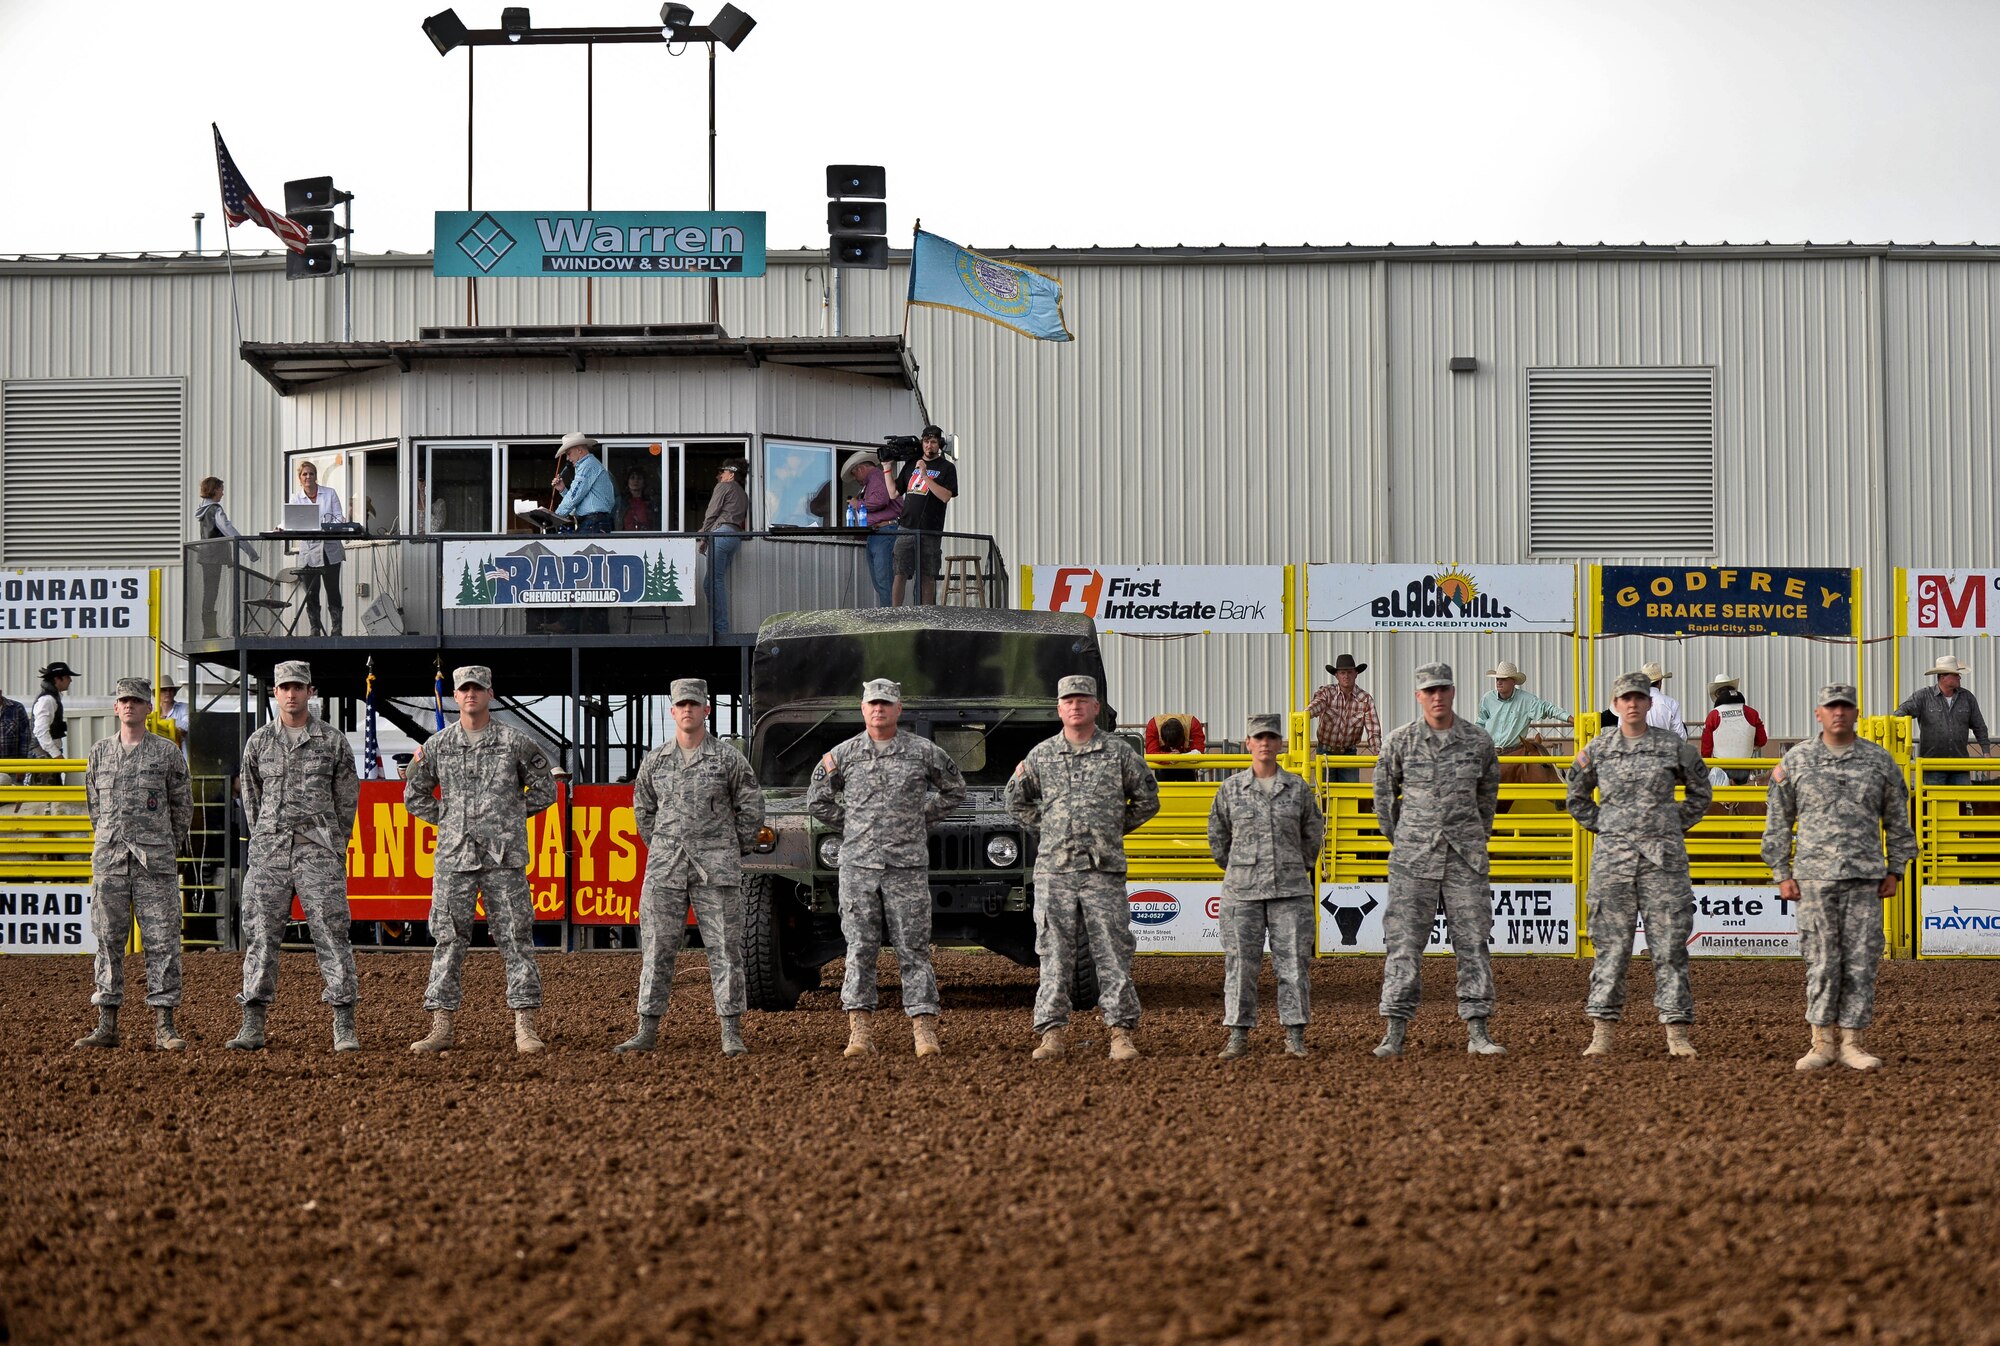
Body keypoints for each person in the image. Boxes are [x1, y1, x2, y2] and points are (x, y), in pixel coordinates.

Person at [1761, 683, 1918, 1073]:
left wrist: (1896, 868)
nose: (1839, 713)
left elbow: (1899, 821)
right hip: (1814, 879)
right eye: (1831, 707)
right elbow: (1778, 822)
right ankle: (1821, 1042)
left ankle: (1852, 1042)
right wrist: (1782, 871)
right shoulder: (1796, 761)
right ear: (1819, 713)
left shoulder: (1879, 761)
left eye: (1845, 707)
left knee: (1861, 961)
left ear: (1855, 712)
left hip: (1865, 877)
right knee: (1821, 960)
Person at [806, 679, 967, 1057]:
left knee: (913, 948)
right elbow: (817, 799)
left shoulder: (922, 752)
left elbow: (955, 789)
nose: (879, 710)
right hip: (858, 866)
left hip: (906, 866)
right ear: (862, 709)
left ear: (899, 710)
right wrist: (854, 824)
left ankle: (924, 1030)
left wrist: (918, 817)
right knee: (860, 947)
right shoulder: (843, 755)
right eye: (872, 704)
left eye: (886, 704)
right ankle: (860, 1033)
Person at [404, 666, 560, 1055]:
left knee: (516, 938)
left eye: (478, 688)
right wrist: (451, 820)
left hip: (503, 858)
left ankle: (525, 1027)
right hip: (455, 858)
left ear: (491, 693)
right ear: (455, 697)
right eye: (464, 690)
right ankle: (441, 1027)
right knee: (448, 940)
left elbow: (546, 789)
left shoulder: (515, 742)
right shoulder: (437, 746)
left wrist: (509, 815)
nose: (470, 695)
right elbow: (415, 794)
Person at [1005, 674, 1161, 1061]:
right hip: (1054, 873)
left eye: (1083, 700)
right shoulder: (1041, 755)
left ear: (1096, 707)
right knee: (1053, 953)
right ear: (1059, 709)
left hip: (1102, 871)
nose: (1075, 706)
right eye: (1068, 700)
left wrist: (1111, 829)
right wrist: (1051, 827)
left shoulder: (1119, 753)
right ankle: (1052, 1035)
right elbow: (1015, 800)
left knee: (1112, 952)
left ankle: (1121, 1034)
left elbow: (1148, 799)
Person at [617, 678, 766, 1058]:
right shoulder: (656, 760)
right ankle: (646, 1029)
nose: (687, 710)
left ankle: (731, 1032)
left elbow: (751, 807)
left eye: (694, 705)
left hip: (715, 870)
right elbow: (643, 811)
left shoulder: (728, 759)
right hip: (665, 870)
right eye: (681, 705)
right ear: (672, 710)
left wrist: (732, 847)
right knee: (657, 949)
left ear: (706, 710)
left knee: (725, 951)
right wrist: (664, 846)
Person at [1567, 670, 1711, 1057]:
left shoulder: (1673, 747)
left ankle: (1677, 1035)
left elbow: (1701, 791)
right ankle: (1602, 1033)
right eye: (1625, 699)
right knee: (1610, 950)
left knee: (1669, 949)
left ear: (1650, 703)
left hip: (1663, 864)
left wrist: (1670, 824)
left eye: (1638, 698)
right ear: (1615, 706)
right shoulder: (1596, 749)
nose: (1632, 704)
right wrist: (1607, 827)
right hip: (1612, 865)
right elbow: (1576, 797)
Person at [224, 661, 362, 1054]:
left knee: (332, 935)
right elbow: (251, 799)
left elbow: (347, 800)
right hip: (269, 855)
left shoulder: (332, 742)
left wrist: (333, 846)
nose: (291, 693)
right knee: (261, 936)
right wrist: (268, 837)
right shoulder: (259, 743)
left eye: (298, 687)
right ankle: (252, 1023)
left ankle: (344, 1023)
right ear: (275, 693)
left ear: (310, 691)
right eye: (284, 687)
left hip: (318, 854)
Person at [1370, 663, 1506, 1058]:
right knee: (1403, 945)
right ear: (1419, 696)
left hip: (1464, 858)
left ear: (1453, 691)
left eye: (1442, 688)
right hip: (1413, 859)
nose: (1436, 696)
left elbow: (1488, 797)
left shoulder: (1478, 741)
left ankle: (1478, 1031)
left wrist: (1473, 836)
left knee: (1473, 943)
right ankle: (1394, 1031)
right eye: (1429, 690)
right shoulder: (1400, 741)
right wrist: (1403, 838)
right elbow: (1383, 797)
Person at [72, 678, 193, 1051]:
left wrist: (163, 846)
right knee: (108, 941)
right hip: (110, 862)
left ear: (149, 708)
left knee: (163, 942)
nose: (129, 706)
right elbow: (96, 808)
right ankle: (106, 1024)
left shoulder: (167, 753)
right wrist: (111, 840)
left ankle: (165, 1026)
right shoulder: (100, 753)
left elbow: (182, 807)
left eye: (137, 701)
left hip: (153, 863)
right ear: (115, 707)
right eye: (123, 700)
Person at [1207, 713, 1324, 1059]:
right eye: (1258, 738)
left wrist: (1296, 866)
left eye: (1271, 738)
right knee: (1241, 966)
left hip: (1290, 891)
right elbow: (1218, 837)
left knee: (1293, 965)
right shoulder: (1230, 790)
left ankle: (1295, 1036)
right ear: (1248, 743)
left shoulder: (1298, 788)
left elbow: (1313, 834)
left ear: (1279, 744)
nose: (1265, 744)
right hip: (1242, 893)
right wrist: (1239, 868)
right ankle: (1238, 1036)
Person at [890, 426, 957, 606]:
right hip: (906, 526)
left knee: (928, 574)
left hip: (931, 529)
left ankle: (927, 614)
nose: (929, 446)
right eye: (926, 442)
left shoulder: (947, 467)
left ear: (940, 444)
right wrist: (886, 469)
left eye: (933, 442)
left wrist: (925, 476)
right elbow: (893, 493)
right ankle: (896, 613)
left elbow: (945, 496)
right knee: (900, 572)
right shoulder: (911, 463)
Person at [193, 476, 258, 640]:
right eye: (221, 489)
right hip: (214, 556)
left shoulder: (203, 509)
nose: (223, 493)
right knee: (212, 592)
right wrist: (249, 550)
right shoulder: (215, 509)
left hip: (205, 555)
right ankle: (209, 632)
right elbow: (228, 529)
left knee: (210, 592)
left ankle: (209, 630)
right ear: (214, 490)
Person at [290, 459, 347, 637]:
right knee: (311, 591)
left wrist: (325, 526)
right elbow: (292, 520)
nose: (308, 477)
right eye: (304, 474)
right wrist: (281, 526)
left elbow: (339, 517)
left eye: (311, 473)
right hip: (309, 550)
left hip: (329, 547)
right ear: (300, 478)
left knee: (332, 589)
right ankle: (315, 628)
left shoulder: (329, 493)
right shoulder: (296, 497)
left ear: (316, 476)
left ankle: (336, 628)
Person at [1896, 655, 1990, 760]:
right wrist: (1904, 746)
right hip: (1932, 765)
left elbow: (1979, 726)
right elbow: (1899, 714)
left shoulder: (1967, 697)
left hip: (1959, 764)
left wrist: (1986, 752)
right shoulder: (1923, 696)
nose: (1959, 677)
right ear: (1943, 677)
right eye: (1955, 674)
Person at [1307, 654, 1382, 783]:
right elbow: (1316, 705)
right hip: (1325, 752)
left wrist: (1378, 755)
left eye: (1349, 672)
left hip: (1349, 753)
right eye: (1342, 673)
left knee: (1350, 796)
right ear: (1337, 675)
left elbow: (1373, 730)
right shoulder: (1326, 693)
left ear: (1356, 674)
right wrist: (1306, 714)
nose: (1346, 676)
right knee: (1324, 796)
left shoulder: (1365, 699)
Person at [841, 451, 903, 607]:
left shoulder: (876, 477)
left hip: (884, 531)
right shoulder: (874, 480)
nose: (856, 479)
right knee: (881, 580)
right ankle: (888, 614)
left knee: (883, 579)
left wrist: (859, 504)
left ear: (861, 468)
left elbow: (880, 499)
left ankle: (889, 618)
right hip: (879, 533)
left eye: (855, 474)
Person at [697, 460, 750, 636]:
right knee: (712, 582)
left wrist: (704, 534)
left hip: (721, 534)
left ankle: (720, 629)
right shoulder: (743, 494)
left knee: (713, 582)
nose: (719, 475)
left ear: (731, 474)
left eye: (723, 472)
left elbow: (712, 512)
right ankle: (718, 626)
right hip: (735, 537)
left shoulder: (724, 487)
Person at [1474, 661, 1569, 754]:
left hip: (1513, 754)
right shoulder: (1487, 698)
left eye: (1503, 679)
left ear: (1513, 681)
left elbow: (1548, 708)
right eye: (1497, 679)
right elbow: (1480, 723)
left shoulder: (1527, 700)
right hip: (1490, 752)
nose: (1499, 682)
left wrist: (1570, 718)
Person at [1700, 674, 1769, 784]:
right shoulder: (1752, 713)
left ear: (1717, 695)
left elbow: (1706, 750)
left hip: (1721, 768)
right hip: (1745, 768)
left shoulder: (1713, 715)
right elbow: (1762, 740)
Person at [551, 431, 616, 534]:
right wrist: (563, 490)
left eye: (568, 454)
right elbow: (578, 499)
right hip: (595, 522)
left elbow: (574, 498)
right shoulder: (590, 464)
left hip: (593, 523)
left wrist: (553, 518)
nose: (567, 458)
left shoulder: (587, 465)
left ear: (579, 450)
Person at [1145, 713, 1207, 782]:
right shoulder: (1153, 726)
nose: (1173, 749)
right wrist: (1171, 757)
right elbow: (1151, 753)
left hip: (1186, 767)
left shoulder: (1193, 724)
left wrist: (1178, 757)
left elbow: (1199, 752)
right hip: (1164, 768)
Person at [1639, 661, 1687, 739]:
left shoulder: (1632, 704)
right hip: (1664, 748)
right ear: (1660, 682)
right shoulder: (1671, 703)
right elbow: (1681, 736)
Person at [153, 679, 189, 754]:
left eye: (170, 690)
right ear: (158, 693)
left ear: (174, 693)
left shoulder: (184, 708)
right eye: (164, 690)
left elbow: (187, 726)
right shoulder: (152, 712)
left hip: (181, 756)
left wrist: (166, 721)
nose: (168, 693)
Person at [616, 468, 658, 532]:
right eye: (632, 478)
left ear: (644, 482)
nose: (636, 481)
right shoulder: (621, 502)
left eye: (639, 478)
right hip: (624, 538)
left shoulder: (650, 502)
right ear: (627, 481)